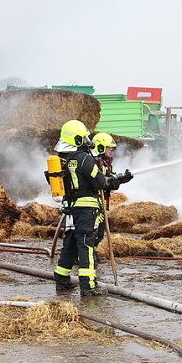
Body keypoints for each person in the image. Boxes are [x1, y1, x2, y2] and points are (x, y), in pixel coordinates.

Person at [52, 120, 128, 296]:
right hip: (87, 208)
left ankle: (61, 280)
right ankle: (89, 286)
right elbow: (100, 182)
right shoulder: (84, 158)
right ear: (77, 139)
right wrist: (114, 181)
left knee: (70, 244)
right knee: (86, 245)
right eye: (84, 137)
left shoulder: (62, 159)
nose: (87, 141)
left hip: (70, 208)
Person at [91, 132, 133, 251]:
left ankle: (90, 254)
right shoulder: (94, 162)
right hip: (94, 203)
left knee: (98, 233)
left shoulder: (104, 162)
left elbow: (111, 177)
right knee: (92, 233)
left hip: (101, 202)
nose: (111, 151)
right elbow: (99, 181)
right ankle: (83, 257)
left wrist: (123, 178)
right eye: (109, 148)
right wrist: (111, 184)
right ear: (100, 147)